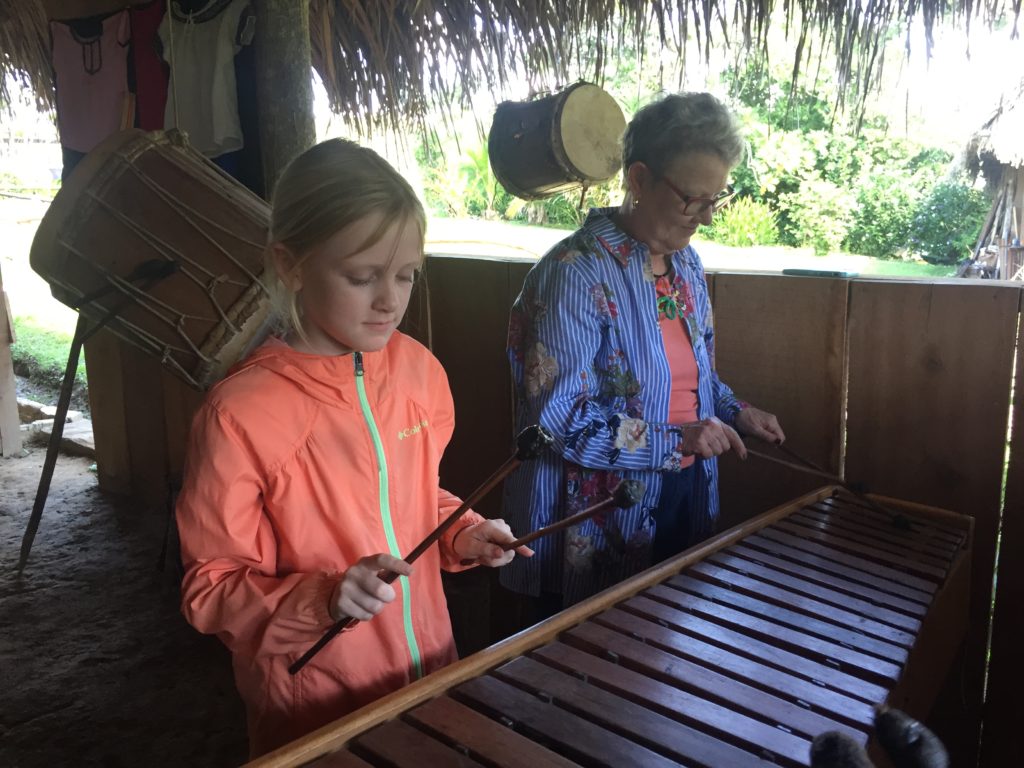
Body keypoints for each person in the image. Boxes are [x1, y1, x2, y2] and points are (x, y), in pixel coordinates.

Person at [175, 138, 532, 757]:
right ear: (290, 264)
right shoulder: (238, 414)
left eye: (406, 275)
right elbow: (210, 586)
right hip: (316, 707)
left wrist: (462, 533)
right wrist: (323, 599)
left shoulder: (420, 374)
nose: (390, 299)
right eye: (362, 277)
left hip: (429, 676)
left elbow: (411, 498)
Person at [500, 92, 784, 616]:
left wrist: (733, 411)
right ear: (637, 180)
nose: (703, 217)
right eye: (690, 199)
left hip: (685, 490)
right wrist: (679, 439)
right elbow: (558, 424)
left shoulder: (686, 266)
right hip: (598, 514)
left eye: (713, 202)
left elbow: (692, 378)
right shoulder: (573, 273)